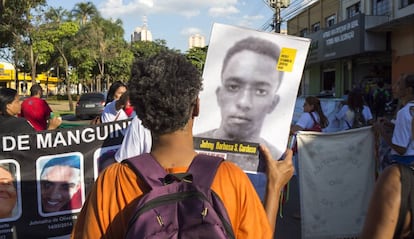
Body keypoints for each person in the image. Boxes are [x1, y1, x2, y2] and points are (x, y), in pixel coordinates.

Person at [72, 50, 294, 238]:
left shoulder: (113, 183)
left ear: (138, 112)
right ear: (197, 107)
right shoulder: (231, 178)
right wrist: (274, 187)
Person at [197, 36, 283, 157]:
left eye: (260, 91)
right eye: (233, 87)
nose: (243, 102)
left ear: (273, 103)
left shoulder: (277, 159)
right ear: (219, 94)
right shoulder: (190, 149)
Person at [376, 73, 414, 165]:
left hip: (405, 162)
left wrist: (381, 130)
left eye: (399, 84)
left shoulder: (403, 113)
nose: (394, 87)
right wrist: (392, 125)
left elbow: (401, 149)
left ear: (408, 90)